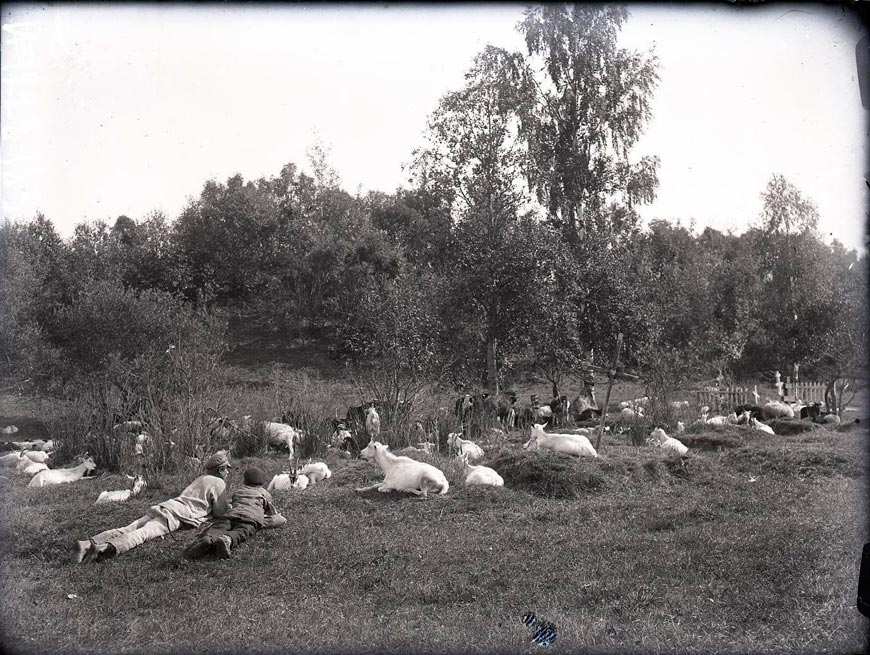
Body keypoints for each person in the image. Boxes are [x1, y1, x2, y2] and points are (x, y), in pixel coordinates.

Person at [75, 451, 232, 564]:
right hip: (179, 514)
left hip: (167, 505)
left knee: (127, 528)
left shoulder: (201, 478)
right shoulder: (218, 482)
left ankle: (87, 543)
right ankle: (105, 548)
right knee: (143, 534)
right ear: (220, 470)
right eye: (227, 469)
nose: (228, 472)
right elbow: (220, 512)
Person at [181, 466, 286, 559]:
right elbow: (272, 512)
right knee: (242, 531)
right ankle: (228, 539)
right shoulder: (264, 493)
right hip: (250, 518)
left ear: (245, 481)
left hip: (231, 514)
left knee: (220, 527)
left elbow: (233, 502)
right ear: (262, 483)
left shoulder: (239, 491)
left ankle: (208, 538)